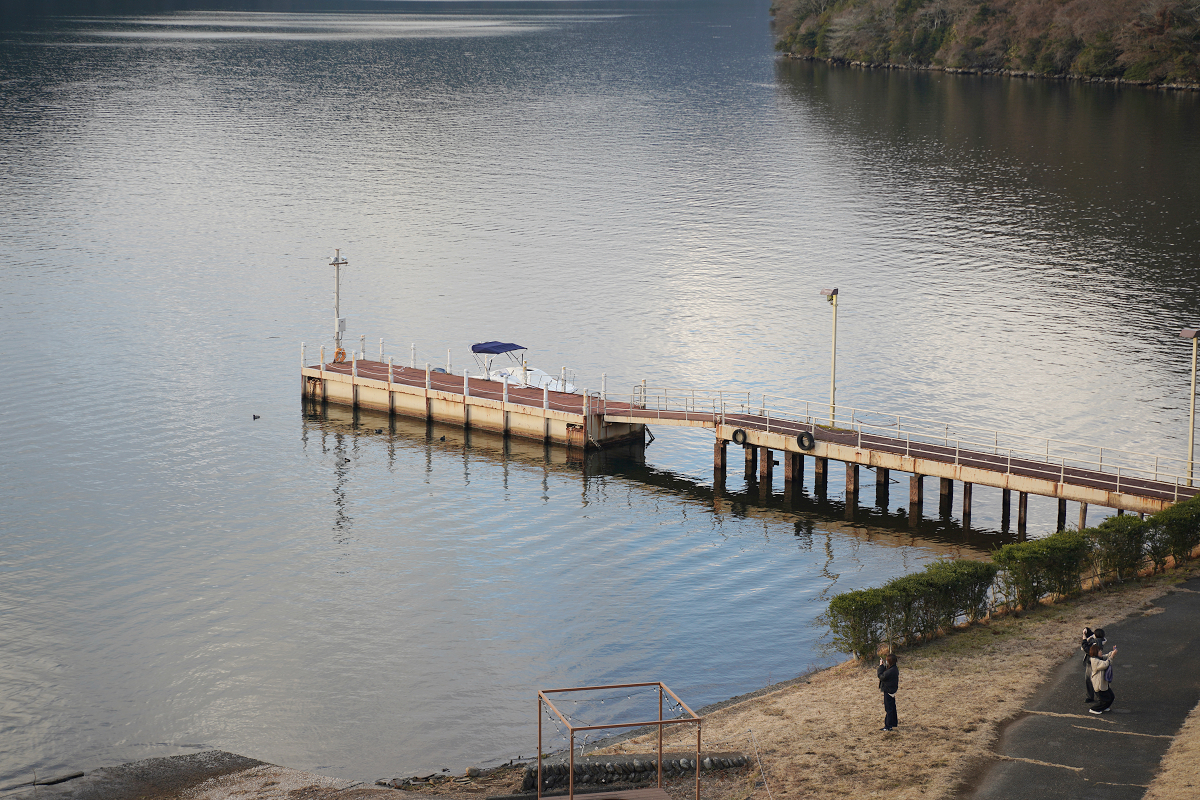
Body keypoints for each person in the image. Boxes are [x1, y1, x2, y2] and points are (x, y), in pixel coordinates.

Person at [1087, 643, 1117, 714]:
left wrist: (1112, 652)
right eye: (1099, 651)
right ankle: (1094, 709)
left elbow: (1106, 656)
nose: (1101, 652)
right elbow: (1105, 664)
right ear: (1096, 652)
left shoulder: (1098, 658)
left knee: (1111, 696)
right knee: (1105, 699)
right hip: (1099, 684)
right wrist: (1112, 656)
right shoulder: (1094, 661)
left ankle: (1104, 707)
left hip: (1103, 683)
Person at [1080, 627, 1106, 703]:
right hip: (1095, 663)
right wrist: (1086, 630)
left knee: (1092, 681)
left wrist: (1084, 639)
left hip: (1092, 664)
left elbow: (1086, 649)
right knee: (1095, 681)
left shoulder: (1096, 643)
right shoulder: (1100, 640)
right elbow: (1091, 635)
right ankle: (1098, 697)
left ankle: (1094, 697)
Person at [878, 653, 899, 731]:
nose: (886, 662)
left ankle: (888, 726)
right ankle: (893, 723)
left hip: (888, 691)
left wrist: (880, 667)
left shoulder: (891, 671)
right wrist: (883, 666)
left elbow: (881, 676)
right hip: (892, 691)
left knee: (889, 709)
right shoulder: (894, 668)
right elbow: (885, 674)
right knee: (892, 707)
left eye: (887, 660)